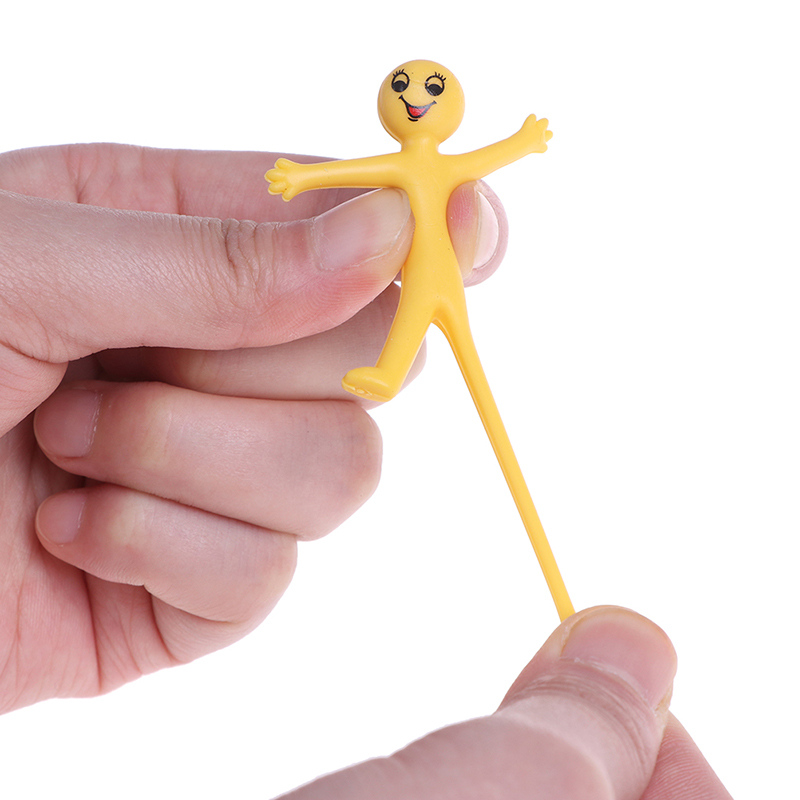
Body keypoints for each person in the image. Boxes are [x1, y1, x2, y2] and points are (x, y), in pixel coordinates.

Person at [0, 143, 730, 798]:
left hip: (435, 285)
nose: (417, 98)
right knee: (409, 332)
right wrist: (302, 182)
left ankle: (384, 367)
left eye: (430, 88)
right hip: (421, 284)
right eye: (408, 87)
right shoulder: (412, 172)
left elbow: (466, 163)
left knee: (450, 353)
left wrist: (522, 142)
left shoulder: (434, 167)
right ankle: (384, 368)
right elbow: (362, 174)